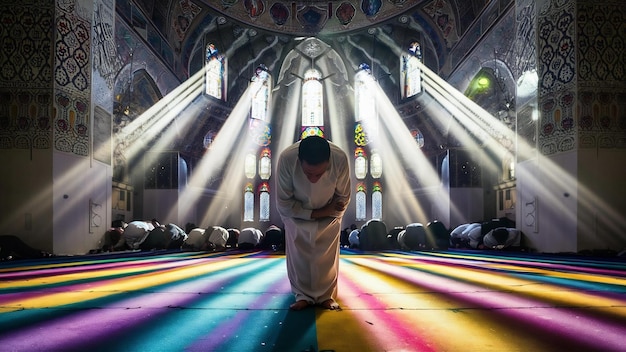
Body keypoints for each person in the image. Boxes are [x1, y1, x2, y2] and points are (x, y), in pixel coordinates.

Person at [276, 136, 351, 311]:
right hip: (296, 213)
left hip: (330, 212)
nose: (313, 180)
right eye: (308, 174)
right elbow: (284, 203)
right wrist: (316, 213)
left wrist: (329, 212)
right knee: (299, 254)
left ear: (328, 162)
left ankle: (326, 296)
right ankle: (302, 296)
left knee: (327, 255)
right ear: (299, 161)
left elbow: (343, 197)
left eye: (319, 174)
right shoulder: (287, 158)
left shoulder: (339, 158)